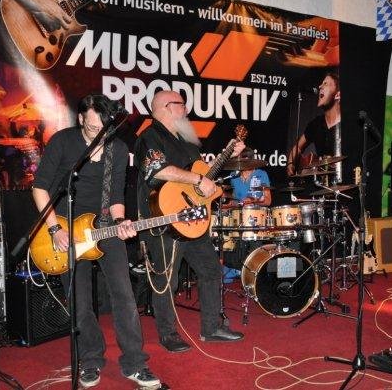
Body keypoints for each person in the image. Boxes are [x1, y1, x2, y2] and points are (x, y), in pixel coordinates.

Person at [32, 95, 159, 388]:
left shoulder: (118, 148)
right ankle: (90, 360)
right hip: (64, 228)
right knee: (80, 301)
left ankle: (135, 363)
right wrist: (54, 229)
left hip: (103, 227)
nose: (98, 134)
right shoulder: (63, 142)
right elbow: (39, 188)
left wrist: (120, 222)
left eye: (103, 128)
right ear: (80, 119)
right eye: (91, 128)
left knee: (124, 295)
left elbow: (115, 196)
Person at [134, 90, 245, 354]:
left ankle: (211, 328)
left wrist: (228, 155)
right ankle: (168, 333)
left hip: (193, 219)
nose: (186, 110)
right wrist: (198, 180)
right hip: (165, 218)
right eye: (182, 105)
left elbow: (203, 175)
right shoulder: (150, 136)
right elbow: (158, 170)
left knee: (211, 270)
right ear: (166, 107)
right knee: (167, 280)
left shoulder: (187, 140)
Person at [286, 72, 342, 182]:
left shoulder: (346, 125)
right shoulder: (316, 124)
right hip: (322, 184)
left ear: (337, 95)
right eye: (321, 83)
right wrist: (290, 163)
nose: (320, 86)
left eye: (325, 83)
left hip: (342, 182)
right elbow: (298, 147)